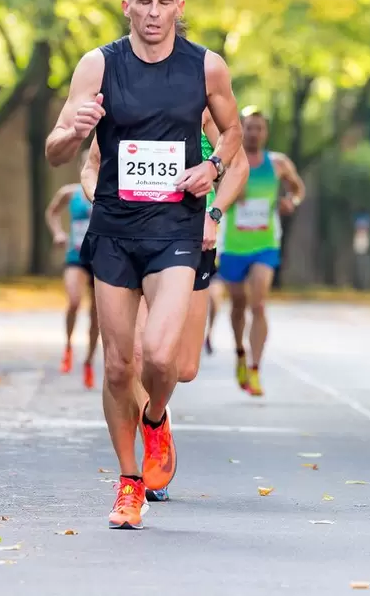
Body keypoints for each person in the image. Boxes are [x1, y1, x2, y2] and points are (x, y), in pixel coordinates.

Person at [45, 0, 241, 530]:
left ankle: (155, 417)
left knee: (160, 357)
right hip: (113, 230)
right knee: (117, 366)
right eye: (143, 3)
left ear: (180, 8)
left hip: (175, 230)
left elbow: (230, 135)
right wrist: (75, 129)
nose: (153, 13)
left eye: (164, 3)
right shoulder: (98, 65)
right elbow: (56, 150)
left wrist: (210, 166)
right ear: (126, 7)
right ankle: (129, 481)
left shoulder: (206, 66)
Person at [80, 105, 249, 501]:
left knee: (182, 366)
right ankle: (141, 464)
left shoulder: (200, 104)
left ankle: (156, 414)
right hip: (130, 240)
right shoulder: (121, 105)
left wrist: (215, 216)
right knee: (134, 354)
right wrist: (101, 197)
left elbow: (237, 165)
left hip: (190, 242)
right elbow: (90, 167)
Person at [219, 111, 305, 397]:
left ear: (266, 132)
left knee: (258, 304)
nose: (254, 133)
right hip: (233, 246)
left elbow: (297, 188)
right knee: (238, 304)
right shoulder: (230, 161)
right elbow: (211, 190)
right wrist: (228, 193)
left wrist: (290, 201)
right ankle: (240, 353)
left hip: (265, 245)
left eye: (259, 128)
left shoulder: (278, 163)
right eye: (249, 128)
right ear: (241, 129)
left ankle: (255, 369)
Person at [45, 151, 98, 389]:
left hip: (101, 259)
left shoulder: (109, 193)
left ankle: (89, 360)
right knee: (74, 301)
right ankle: (68, 346)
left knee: (98, 315)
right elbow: (52, 212)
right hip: (76, 255)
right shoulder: (70, 192)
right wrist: (58, 232)